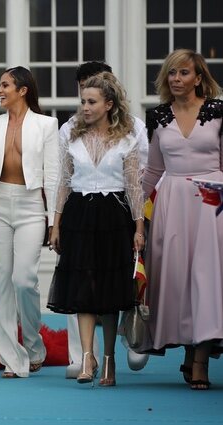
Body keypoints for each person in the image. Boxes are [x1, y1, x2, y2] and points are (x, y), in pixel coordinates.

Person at [47, 72, 145, 387]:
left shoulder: (127, 137)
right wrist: (56, 223)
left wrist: (139, 227)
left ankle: (108, 358)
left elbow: (134, 187)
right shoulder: (71, 136)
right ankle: (87, 357)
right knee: (82, 287)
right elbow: (63, 181)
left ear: (109, 104)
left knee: (109, 291)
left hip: (114, 217)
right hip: (78, 214)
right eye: (83, 102)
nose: (85, 107)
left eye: (91, 102)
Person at [141, 49, 223, 390]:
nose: (176, 79)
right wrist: (133, 215)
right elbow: (153, 171)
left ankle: (201, 359)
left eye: (184, 73)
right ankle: (189, 352)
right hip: (172, 205)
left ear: (198, 77)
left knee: (207, 281)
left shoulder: (220, 112)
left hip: (212, 203)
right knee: (177, 281)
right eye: (172, 73)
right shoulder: (158, 116)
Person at [0, 66, 57, 378]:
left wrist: (55, 220)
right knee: (0, 280)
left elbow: (53, 175)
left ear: (23, 89)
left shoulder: (46, 125)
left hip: (31, 207)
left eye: (5, 85)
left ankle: (33, 345)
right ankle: (11, 357)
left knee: (24, 279)